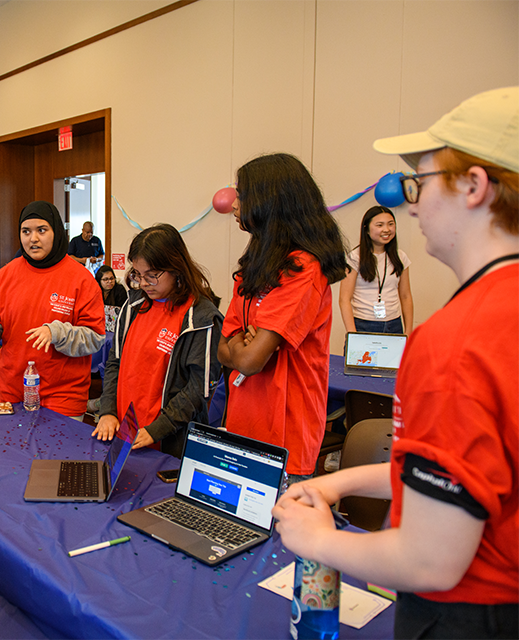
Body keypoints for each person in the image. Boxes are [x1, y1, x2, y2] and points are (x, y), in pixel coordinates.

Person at [273, 87, 519, 640]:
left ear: (475, 187)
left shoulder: (457, 338)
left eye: (420, 183)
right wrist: (341, 484)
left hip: (472, 613)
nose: (411, 206)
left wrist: (316, 539)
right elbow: (473, 474)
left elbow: (431, 559)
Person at [218, 153, 348, 482]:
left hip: (284, 434)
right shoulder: (254, 266)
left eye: (242, 195)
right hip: (243, 422)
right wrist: (240, 344)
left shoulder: (303, 269)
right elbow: (221, 349)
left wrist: (242, 347)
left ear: (269, 202)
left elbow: (249, 362)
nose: (235, 204)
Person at [92, 224, 222, 457]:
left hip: (168, 440)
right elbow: (114, 363)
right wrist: (108, 410)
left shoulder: (201, 317)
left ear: (176, 268)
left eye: (152, 276)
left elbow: (197, 389)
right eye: (137, 275)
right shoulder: (133, 306)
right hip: (125, 431)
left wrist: (156, 430)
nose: (143, 283)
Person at [0, 201, 105, 418]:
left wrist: (57, 333)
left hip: (63, 396)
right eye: (26, 231)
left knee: (56, 453)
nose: (33, 238)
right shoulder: (6, 275)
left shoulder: (81, 279)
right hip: (13, 390)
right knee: (13, 452)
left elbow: (95, 338)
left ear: (56, 232)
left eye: (42, 230)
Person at [339, 205, 414, 334]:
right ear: (366, 229)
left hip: (394, 324)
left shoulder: (400, 257)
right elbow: (344, 299)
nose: (386, 229)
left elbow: (406, 296)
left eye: (390, 224)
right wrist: (352, 333)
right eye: (379, 225)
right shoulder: (355, 257)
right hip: (363, 323)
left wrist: (408, 331)